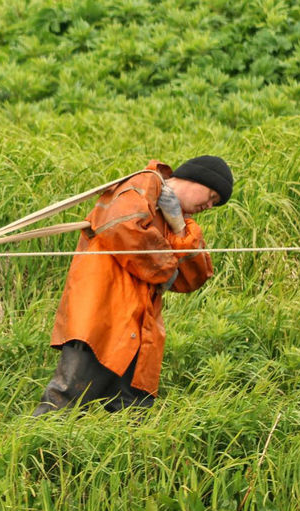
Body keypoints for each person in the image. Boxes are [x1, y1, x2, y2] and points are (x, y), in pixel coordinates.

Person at [34, 156, 234, 416]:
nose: (209, 205)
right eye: (211, 196)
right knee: (65, 403)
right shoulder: (145, 182)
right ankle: (30, 455)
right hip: (103, 318)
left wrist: (178, 225)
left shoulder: (179, 220)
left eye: (214, 204)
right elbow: (121, 227)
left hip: (141, 329)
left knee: (133, 414)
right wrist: (167, 267)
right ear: (195, 178)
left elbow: (194, 276)